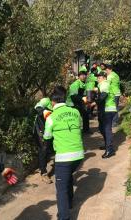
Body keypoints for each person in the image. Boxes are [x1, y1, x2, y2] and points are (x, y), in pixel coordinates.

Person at [43, 86, 84, 220]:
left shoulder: (51, 117)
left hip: (64, 157)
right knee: (68, 175)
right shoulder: (76, 112)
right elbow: (81, 127)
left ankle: (64, 217)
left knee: (61, 189)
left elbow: (47, 137)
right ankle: (70, 202)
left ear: (52, 102)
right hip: (79, 155)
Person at [33, 97, 54, 184]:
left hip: (49, 129)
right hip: (40, 130)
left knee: (51, 148)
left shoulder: (59, 105)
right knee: (43, 150)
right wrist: (45, 112)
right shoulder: (46, 101)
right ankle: (43, 173)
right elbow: (37, 107)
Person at [96, 72, 116, 159]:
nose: (98, 79)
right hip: (105, 109)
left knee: (107, 129)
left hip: (108, 109)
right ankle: (107, 145)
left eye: (99, 77)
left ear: (104, 78)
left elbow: (103, 96)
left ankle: (110, 150)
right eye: (97, 77)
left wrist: (94, 102)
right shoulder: (102, 84)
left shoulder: (104, 84)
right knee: (101, 128)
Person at [66, 65, 90, 133]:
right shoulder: (75, 84)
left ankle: (86, 130)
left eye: (85, 75)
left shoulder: (83, 83)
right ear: (79, 76)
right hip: (71, 103)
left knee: (85, 114)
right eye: (82, 75)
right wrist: (82, 100)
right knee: (75, 116)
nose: (83, 76)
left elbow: (84, 94)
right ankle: (72, 130)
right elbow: (73, 96)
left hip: (78, 101)